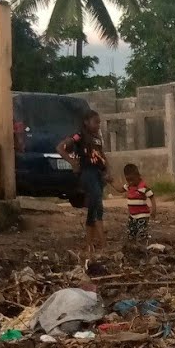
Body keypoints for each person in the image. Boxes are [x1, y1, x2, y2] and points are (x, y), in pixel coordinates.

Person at [58, 110, 109, 257]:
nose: (98, 125)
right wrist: (72, 162)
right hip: (88, 174)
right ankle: (102, 243)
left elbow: (102, 156)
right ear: (86, 122)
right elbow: (60, 148)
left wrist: (107, 171)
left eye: (99, 122)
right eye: (96, 122)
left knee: (94, 207)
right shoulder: (79, 136)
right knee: (97, 204)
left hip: (98, 174)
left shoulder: (97, 138)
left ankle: (89, 244)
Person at [121, 163, 157, 242]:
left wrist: (153, 210)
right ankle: (133, 247)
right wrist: (111, 182)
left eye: (132, 179)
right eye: (128, 180)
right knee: (131, 233)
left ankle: (143, 246)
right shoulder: (129, 186)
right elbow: (120, 189)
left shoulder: (143, 187)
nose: (130, 182)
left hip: (142, 215)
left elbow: (152, 197)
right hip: (132, 216)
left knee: (142, 233)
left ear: (138, 176)